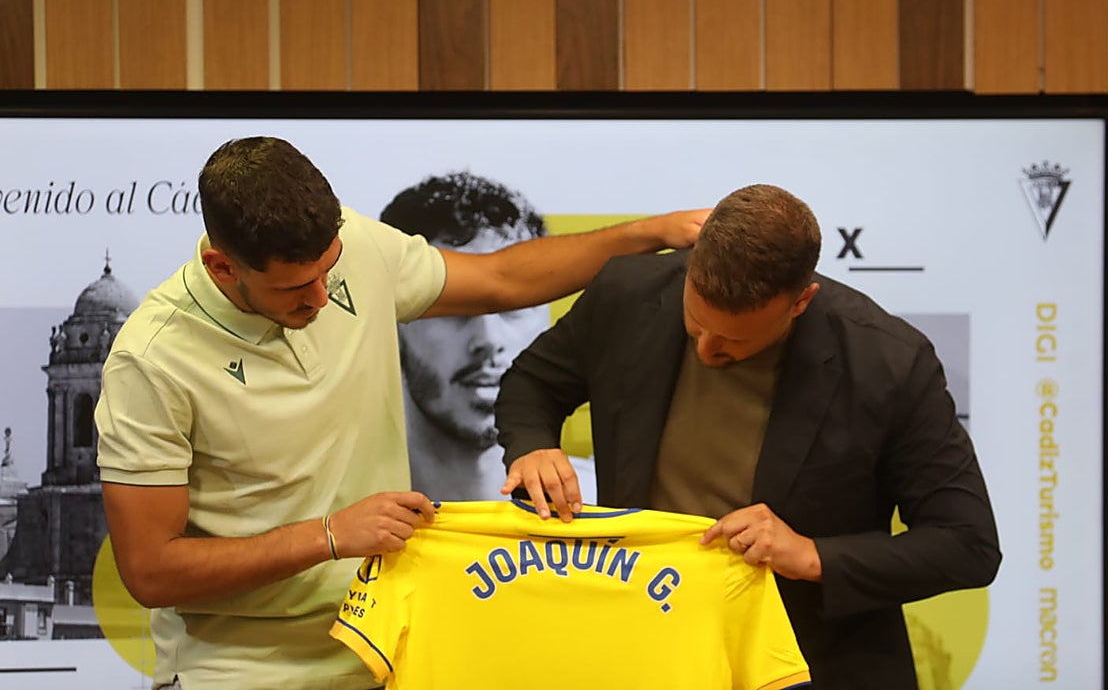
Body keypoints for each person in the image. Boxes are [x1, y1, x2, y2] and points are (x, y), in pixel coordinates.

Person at [94, 137, 707, 690]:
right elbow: (151, 571)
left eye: (329, 270)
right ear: (222, 267)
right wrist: (329, 536)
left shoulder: (356, 248)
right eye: (294, 288)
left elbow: (500, 279)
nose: (322, 297)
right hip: (239, 673)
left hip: (387, 656)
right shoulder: (152, 361)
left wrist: (650, 232)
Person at [495, 183, 1002, 690]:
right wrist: (533, 445)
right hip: (646, 649)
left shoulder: (886, 361)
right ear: (691, 267)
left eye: (734, 341)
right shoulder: (629, 292)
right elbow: (532, 383)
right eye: (695, 324)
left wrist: (811, 555)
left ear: (800, 302)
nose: (706, 351)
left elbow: (967, 544)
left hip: (812, 661)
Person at [379, 171, 595, 501]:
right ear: (393, 319)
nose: (489, 339)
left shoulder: (607, 504)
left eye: (517, 304)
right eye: (453, 304)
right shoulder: (339, 505)